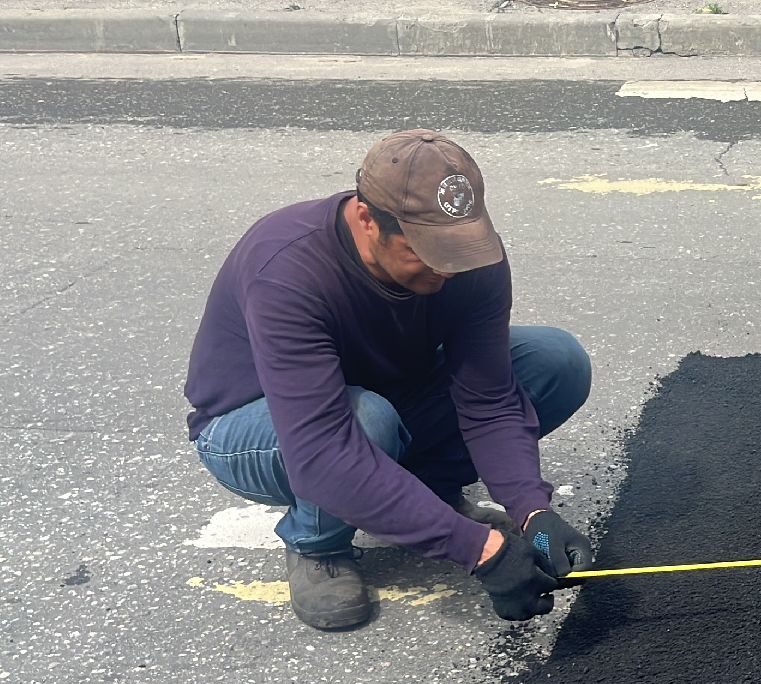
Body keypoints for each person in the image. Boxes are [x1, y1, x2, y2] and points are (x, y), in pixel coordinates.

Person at [184, 130, 595, 631]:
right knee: (365, 421)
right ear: (366, 218)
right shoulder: (288, 268)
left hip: (388, 395)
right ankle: (318, 545)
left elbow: (488, 400)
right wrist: (478, 551)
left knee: (554, 361)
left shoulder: (469, 257)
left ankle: (424, 495)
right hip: (257, 429)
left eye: (456, 246)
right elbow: (321, 452)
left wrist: (532, 511)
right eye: (424, 249)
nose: (445, 269)